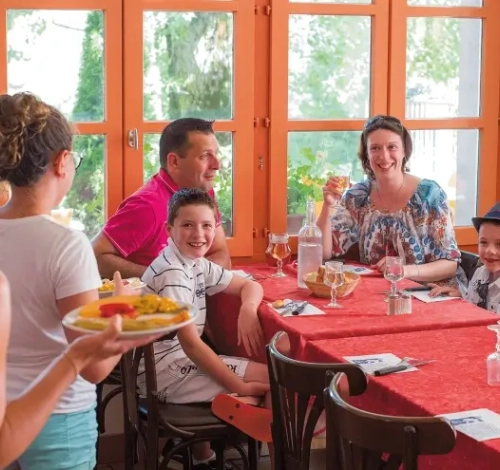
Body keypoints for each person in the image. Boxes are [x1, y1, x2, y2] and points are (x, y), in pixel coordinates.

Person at [0, 92, 159, 470]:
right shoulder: (66, 244)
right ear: (62, 161)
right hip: (59, 417)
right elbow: (93, 367)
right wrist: (124, 312)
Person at [140, 188, 270, 468]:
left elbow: (249, 285)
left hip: (175, 363)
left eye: (206, 225)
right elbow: (191, 345)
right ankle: (248, 414)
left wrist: (248, 309)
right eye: (188, 225)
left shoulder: (194, 262)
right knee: (274, 378)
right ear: (169, 229)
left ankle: (204, 456)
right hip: (163, 373)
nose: (198, 234)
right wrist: (238, 384)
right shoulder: (173, 272)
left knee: (266, 379)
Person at [0, 271, 156, 468]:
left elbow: (4, 444)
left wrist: (75, 358)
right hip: (62, 421)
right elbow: (95, 369)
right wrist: (121, 316)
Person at [317, 114, 462, 286]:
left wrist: (404, 270)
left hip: (430, 293)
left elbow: (450, 265)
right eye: (375, 148)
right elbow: (323, 253)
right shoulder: (358, 197)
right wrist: (327, 206)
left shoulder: (429, 195)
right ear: (366, 154)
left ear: (404, 151)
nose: (384, 157)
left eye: (392, 147)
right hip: (377, 292)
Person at [92, 118, 231, 280]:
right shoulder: (147, 206)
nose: (217, 164)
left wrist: (187, 278)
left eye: (216, 153)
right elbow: (95, 256)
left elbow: (221, 253)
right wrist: (162, 277)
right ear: (174, 162)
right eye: (205, 156)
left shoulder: (203, 191)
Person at [429, 202, 500, 312]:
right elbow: (472, 304)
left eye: (499, 244)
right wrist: (460, 296)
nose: (489, 250)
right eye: (483, 242)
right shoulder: (479, 274)